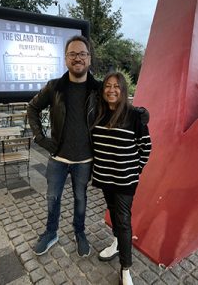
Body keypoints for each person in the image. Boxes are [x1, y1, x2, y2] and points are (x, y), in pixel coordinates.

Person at [27, 35, 149, 258]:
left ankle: (80, 233)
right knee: (52, 197)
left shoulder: (98, 89)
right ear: (66, 59)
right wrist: (40, 138)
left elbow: (117, 102)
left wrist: (138, 112)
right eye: (72, 54)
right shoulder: (54, 87)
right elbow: (32, 109)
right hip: (58, 158)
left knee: (81, 199)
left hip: (85, 160)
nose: (77, 58)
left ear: (89, 59)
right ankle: (51, 232)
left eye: (82, 54)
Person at [91, 71, 152, 285]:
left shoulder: (134, 115)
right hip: (105, 177)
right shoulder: (97, 114)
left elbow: (146, 147)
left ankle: (126, 268)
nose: (111, 90)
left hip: (125, 180)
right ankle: (117, 243)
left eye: (116, 86)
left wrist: (136, 170)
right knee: (114, 213)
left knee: (124, 220)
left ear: (123, 90)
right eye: (108, 85)